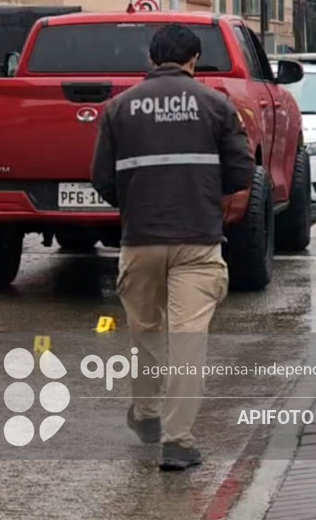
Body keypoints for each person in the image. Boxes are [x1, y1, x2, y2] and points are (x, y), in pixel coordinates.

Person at [90, 24, 255, 471]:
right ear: (194, 58)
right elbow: (242, 175)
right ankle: (177, 442)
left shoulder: (118, 108)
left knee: (145, 334)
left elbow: (102, 179)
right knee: (188, 340)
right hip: (198, 241)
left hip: (140, 239)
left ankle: (145, 415)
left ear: (151, 57)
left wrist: (137, 201)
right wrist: (201, 192)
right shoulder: (218, 106)